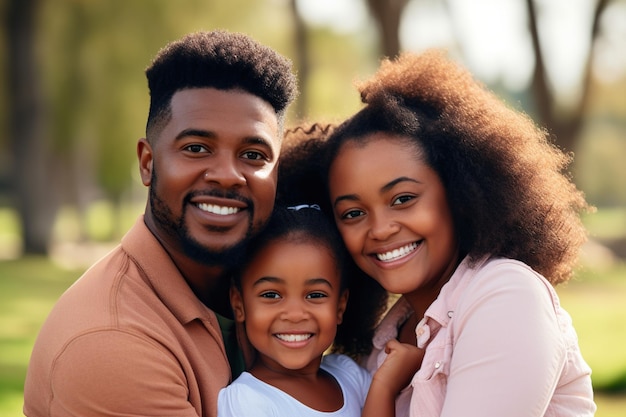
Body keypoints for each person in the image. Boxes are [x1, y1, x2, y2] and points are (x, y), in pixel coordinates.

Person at [285, 51, 597, 416]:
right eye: (353, 213)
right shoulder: (387, 337)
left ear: (458, 192)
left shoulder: (506, 294)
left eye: (403, 199)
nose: (381, 228)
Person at [23, 30, 298, 417]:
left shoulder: (279, 288)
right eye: (196, 148)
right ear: (148, 163)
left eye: (253, 154)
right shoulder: (110, 343)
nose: (226, 175)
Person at [217, 204, 421, 417]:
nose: (295, 315)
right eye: (271, 295)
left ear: (340, 307)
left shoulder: (348, 375)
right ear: (239, 304)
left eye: (315, 295)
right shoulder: (248, 401)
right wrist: (384, 388)